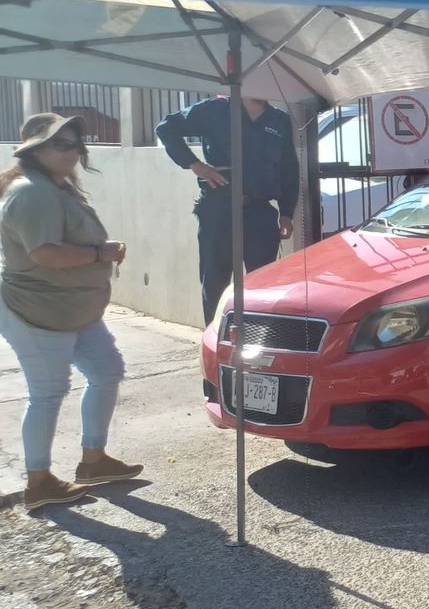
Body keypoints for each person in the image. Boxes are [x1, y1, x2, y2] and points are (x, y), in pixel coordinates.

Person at [0, 114, 141, 510]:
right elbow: (44, 253)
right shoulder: (32, 192)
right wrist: (100, 253)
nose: (73, 151)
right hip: (38, 311)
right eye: (60, 144)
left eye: (76, 143)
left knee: (106, 372)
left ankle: (94, 461)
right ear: (34, 151)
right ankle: (39, 481)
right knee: (47, 394)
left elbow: (63, 240)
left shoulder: (56, 188)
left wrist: (101, 248)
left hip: (75, 310)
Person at [155, 97, 298, 325]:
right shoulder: (216, 109)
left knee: (262, 284)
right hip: (219, 208)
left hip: (259, 212)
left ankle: (256, 343)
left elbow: (289, 167)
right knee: (215, 282)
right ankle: (215, 343)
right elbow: (166, 128)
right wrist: (195, 165)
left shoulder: (278, 120)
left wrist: (287, 212)